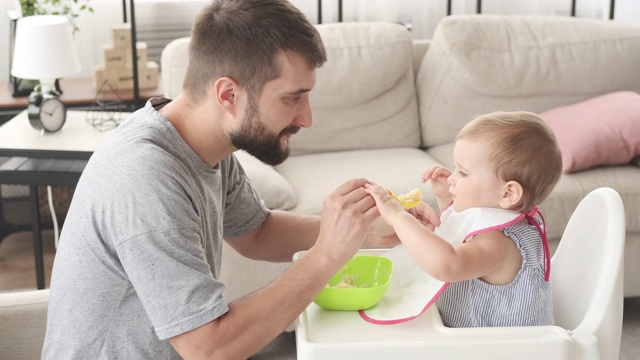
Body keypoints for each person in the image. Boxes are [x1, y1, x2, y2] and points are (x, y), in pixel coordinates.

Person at [41, 1, 430, 358]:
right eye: (293, 98)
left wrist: (364, 231)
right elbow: (208, 348)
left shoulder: (200, 142)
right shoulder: (146, 176)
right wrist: (327, 254)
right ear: (228, 94)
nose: (306, 118)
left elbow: (257, 233)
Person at [365, 111, 563, 328]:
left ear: (508, 194)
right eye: (454, 168)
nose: (451, 178)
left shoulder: (499, 243)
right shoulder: (502, 220)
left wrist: (398, 217)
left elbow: (447, 265)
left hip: (501, 349)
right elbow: (458, 234)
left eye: (463, 173)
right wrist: (446, 200)